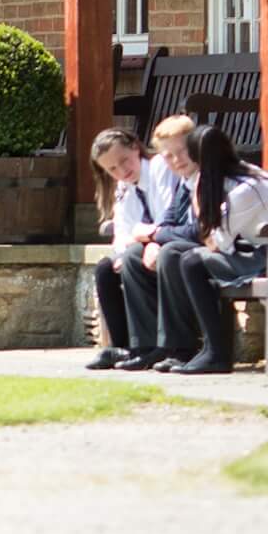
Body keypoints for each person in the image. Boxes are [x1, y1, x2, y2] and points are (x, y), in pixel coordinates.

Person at [151, 124, 268, 375]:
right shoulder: (239, 176)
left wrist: (199, 203)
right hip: (264, 250)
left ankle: (216, 354)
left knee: (192, 261)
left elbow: (215, 243)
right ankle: (202, 349)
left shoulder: (244, 190)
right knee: (187, 257)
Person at [83, 126, 186, 370]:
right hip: (146, 243)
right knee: (106, 269)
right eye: (112, 169)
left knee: (131, 257)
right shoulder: (124, 187)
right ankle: (123, 347)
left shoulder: (160, 168)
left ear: (136, 148)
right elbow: (122, 232)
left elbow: (165, 216)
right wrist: (123, 248)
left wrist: (144, 241)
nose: (122, 171)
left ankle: (148, 346)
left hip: (169, 240)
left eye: (124, 161)